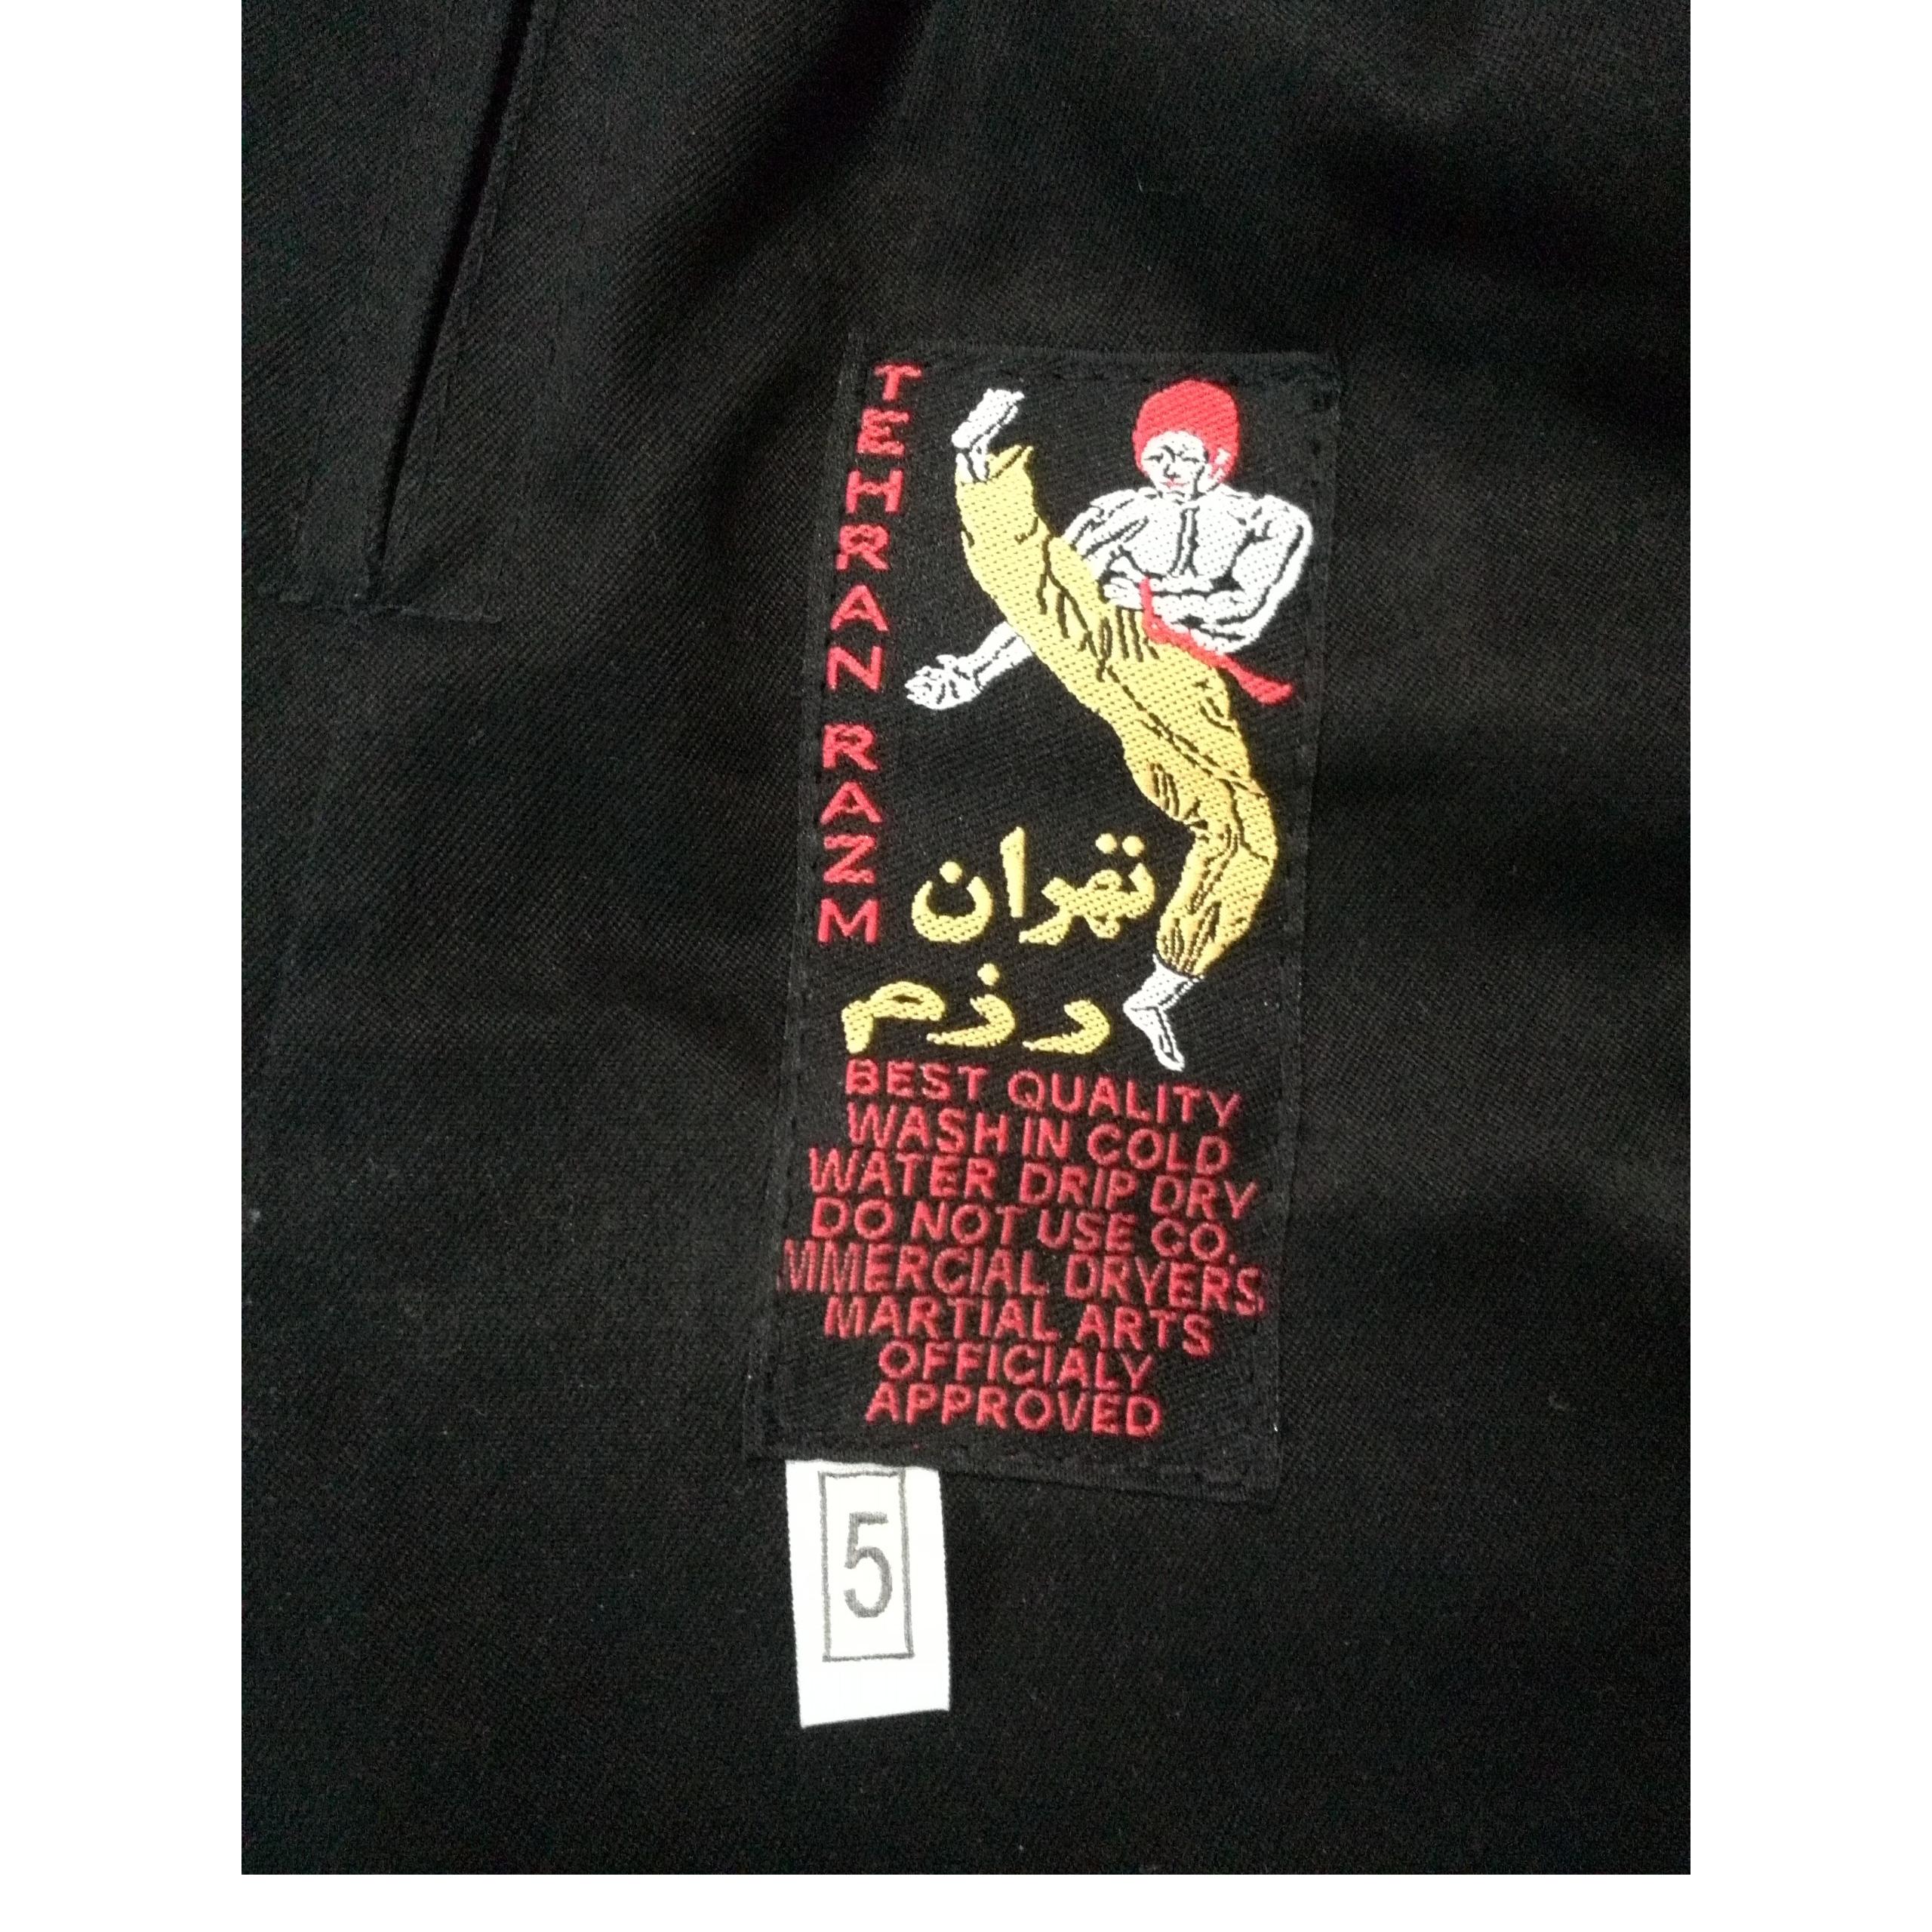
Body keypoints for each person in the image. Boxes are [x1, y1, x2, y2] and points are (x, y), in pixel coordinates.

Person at [913, 381, 1314, 1071]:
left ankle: (1161, 990)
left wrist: (1154, 599)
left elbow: (1242, 612)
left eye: (1185, 453)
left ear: (1220, 454)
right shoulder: (1118, 514)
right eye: (1158, 454)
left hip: (1178, 679)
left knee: (1242, 829)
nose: (1170, 468)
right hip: (1102, 644)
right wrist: (974, 671)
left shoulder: (1269, 522)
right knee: (1039, 578)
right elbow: (1045, 605)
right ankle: (974, 459)